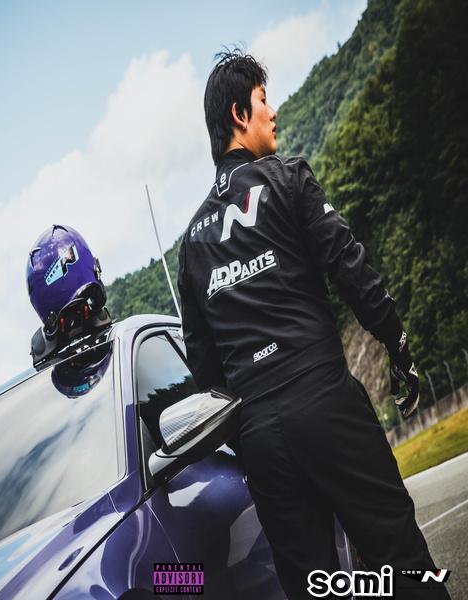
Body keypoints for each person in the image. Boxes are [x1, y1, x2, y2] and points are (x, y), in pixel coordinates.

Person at [177, 49, 450, 599]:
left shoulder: (191, 245)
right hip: (324, 400)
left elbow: (205, 373)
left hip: (261, 440)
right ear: (239, 115)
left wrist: (249, 436)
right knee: (401, 560)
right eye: (263, 100)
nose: (273, 112)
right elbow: (354, 272)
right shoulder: (289, 179)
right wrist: (398, 348)